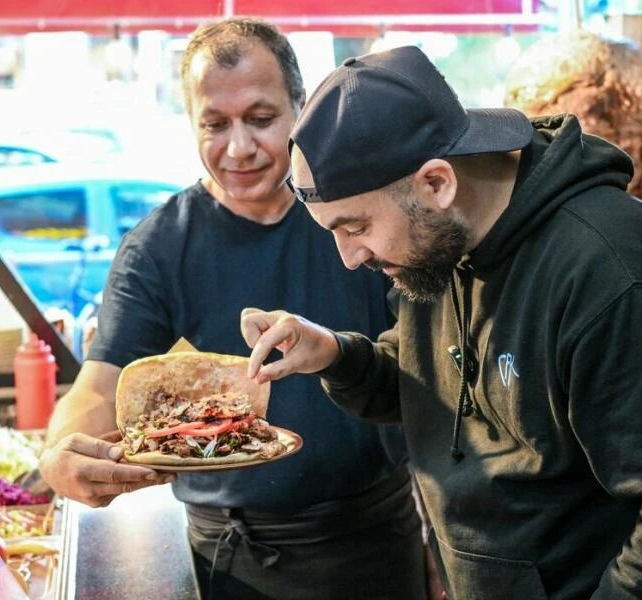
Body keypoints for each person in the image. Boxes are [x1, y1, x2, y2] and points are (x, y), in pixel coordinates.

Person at [39, 19, 431, 600]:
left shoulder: (360, 213)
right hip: (229, 557)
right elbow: (101, 383)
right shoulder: (161, 245)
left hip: (372, 540)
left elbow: (430, 373)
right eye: (215, 124)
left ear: (301, 107)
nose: (239, 147)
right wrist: (59, 456)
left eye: (262, 118)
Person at [241, 45, 642, 600]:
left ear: (436, 183)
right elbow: (429, 386)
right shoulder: (436, 241)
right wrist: (336, 354)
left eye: (354, 227)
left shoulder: (610, 272)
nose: (349, 257)